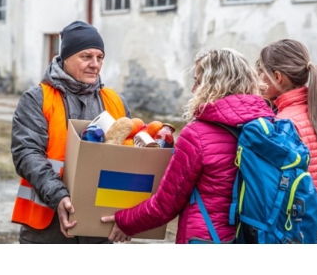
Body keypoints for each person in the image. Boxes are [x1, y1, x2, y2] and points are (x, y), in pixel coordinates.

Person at [101, 48, 275, 243]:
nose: (194, 89)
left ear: (213, 84)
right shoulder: (268, 127)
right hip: (254, 236)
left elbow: (165, 206)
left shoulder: (197, 135)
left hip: (207, 238)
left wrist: (124, 221)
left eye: (198, 81)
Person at [11, 20, 131, 244]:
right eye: (86, 56)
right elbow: (26, 154)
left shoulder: (116, 102)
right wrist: (58, 196)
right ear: (65, 58)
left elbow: (130, 160)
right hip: (47, 229)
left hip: (100, 229)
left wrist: (130, 216)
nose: (95, 64)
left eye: (100, 57)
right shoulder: (37, 99)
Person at [256, 38, 317, 244]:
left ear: (277, 77)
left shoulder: (283, 124)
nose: (256, 79)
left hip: (294, 233)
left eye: (260, 72)